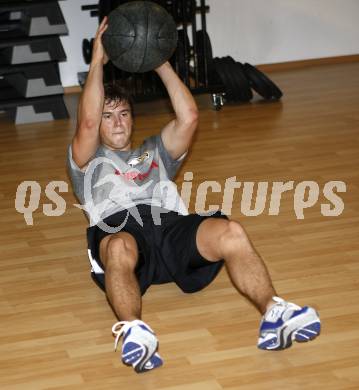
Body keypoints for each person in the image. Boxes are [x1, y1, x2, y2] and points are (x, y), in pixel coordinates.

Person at [67, 18, 321, 374]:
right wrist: (96, 62)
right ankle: (135, 332)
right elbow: (88, 124)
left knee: (231, 231)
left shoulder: (154, 151)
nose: (118, 122)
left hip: (171, 229)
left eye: (124, 114)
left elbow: (188, 118)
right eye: (109, 116)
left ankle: (274, 313)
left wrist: (160, 60)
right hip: (120, 231)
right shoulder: (86, 160)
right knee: (119, 248)